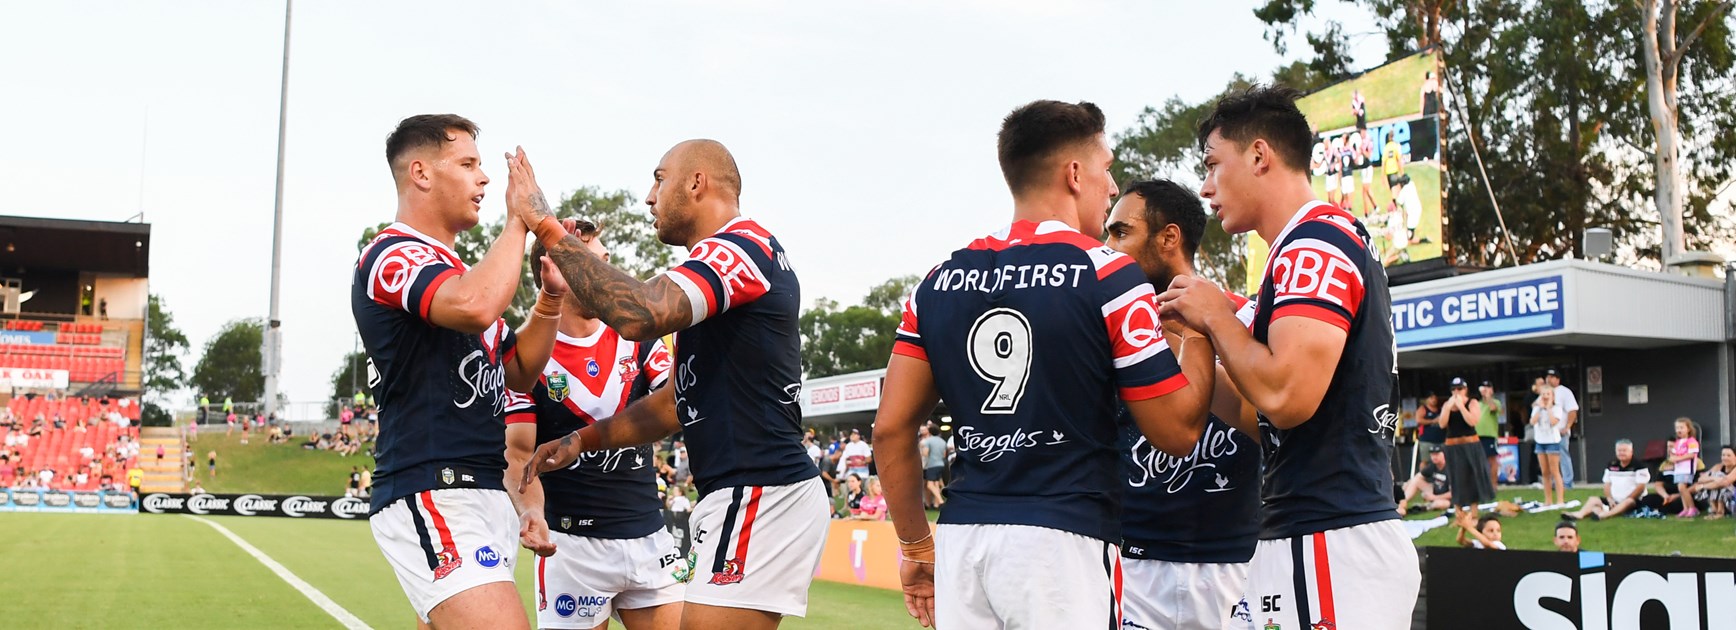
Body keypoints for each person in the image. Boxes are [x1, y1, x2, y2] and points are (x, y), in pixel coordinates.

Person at [872, 100, 1212, 629]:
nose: (1113, 186)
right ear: (1074, 174)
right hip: (1064, 546)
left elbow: (890, 430)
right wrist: (1201, 330)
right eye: (1107, 169)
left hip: (965, 542)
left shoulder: (936, 282)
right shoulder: (1108, 274)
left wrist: (917, 547)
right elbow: (1176, 430)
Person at [520, 139, 828, 629]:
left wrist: (544, 225)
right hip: (743, 491)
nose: (649, 196)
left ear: (696, 183)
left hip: (759, 488)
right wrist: (583, 439)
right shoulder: (714, 271)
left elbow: (641, 313)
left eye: (659, 179)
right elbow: (673, 404)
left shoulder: (741, 246)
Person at [1158, 85, 1421, 629]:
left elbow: (1286, 397)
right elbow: (1264, 417)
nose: (1206, 188)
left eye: (1212, 165)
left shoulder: (1314, 243)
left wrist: (1218, 317)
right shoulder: (1302, 245)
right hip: (1313, 534)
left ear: (1259, 155)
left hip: (1330, 538)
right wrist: (1193, 344)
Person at [351, 114, 563, 629]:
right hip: (433, 487)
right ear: (421, 173)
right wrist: (518, 221)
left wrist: (552, 299)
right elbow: (474, 307)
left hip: (484, 493)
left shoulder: (458, 273)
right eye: (468, 164)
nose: (485, 178)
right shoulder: (391, 253)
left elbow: (517, 372)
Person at [503, 218, 684, 630]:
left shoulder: (640, 339)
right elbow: (517, 453)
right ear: (556, 269)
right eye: (594, 262)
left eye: (605, 260)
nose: (607, 274)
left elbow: (679, 401)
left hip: (650, 538)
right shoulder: (526, 355)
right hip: (571, 548)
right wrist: (530, 510)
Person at [1104, 178, 1260, 630]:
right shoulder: (1109, 331)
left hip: (1235, 568)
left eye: (1120, 232)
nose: (1107, 246)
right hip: (1133, 567)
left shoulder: (1243, 318)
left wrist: (1204, 337)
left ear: (1169, 238)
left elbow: (1273, 423)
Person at [1439, 377, 1493, 519]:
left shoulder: (1472, 402)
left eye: (1460, 389)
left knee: (1472, 477)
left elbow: (1473, 421)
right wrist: (1449, 408)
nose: (1457, 392)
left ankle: (1474, 513)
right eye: (1454, 389)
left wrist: (1462, 407)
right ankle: (1459, 514)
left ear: (1465, 389)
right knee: (1456, 478)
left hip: (1470, 443)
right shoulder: (1447, 405)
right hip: (1453, 445)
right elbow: (1442, 424)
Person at [1565, 440, 1649, 521]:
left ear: (1631, 451)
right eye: (1619, 450)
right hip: (1614, 500)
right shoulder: (1611, 464)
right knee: (1593, 499)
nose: (1621, 453)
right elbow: (1607, 484)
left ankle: (1605, 515)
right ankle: (1580, 514)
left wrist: (1627, 499)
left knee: (1628, 502)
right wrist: (1609, 499)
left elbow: (1640, 487)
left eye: (1624, 450)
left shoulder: (1639, 466)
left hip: (1632, 500)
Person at [1531, 388, 1568, 506]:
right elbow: (1532, 421)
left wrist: (1548, 409)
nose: (1545, 396)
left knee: (1555, 471)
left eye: (1548, 394)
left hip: (1552, 441)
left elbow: (1553, 422)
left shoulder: (1557, 408)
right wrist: (1540, 408)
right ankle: (1548, 500)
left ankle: (1560, 500)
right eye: (1543, 394)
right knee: (1545, 472)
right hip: (1540, 441)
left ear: (1552, 396)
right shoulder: (1537, 408)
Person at [1548, 369, 1580, 488]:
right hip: (1547, 432)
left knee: (1563, 455)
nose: (1549, 379)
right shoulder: (1546, 392)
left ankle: (1567, 482)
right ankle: (1553, 482)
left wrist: (1567, 426)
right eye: (1548, 377)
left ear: (1557, 379)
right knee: (1550, 457)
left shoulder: (1564, 392)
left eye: (1552, 377)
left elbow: (1572, 410)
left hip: (1560, 430)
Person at [1399, 446, 1452, 515]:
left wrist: (1434, 497)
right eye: (1432, 454)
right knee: (1416, 481)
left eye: (1437, 454)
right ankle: (1402, 503)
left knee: (1442, 504)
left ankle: (1423, 507)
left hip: (1446, 498)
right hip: (1435, 491)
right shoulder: (1433, 465)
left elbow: (1453, 493)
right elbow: (1418, 477)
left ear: (1444, 454)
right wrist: (1406, 486)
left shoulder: (1450, 469)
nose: (1434, 457)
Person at [1665, 417, 1702, 518]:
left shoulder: (1692, 441)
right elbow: (1674, 454)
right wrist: (1672, 459)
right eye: (1677, 428)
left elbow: (1691, 455)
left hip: (1687, 468)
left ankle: (1692, 508)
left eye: (1681, 427)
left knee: (1682, 488)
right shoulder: (1678, 442)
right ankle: (1685, 508)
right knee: (1680, 489)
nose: (1679, 430)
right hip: (1678, 469)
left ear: (1688, 429)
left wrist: (1678, 458)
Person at [1688, 445, 1735, 519]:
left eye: (1729, 455)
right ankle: (1714, 510)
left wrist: (1703, 486)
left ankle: (1720, 512)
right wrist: (1714, 478)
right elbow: (1701, 479)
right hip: (1720, 493)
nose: (1725, 458)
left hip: (1732, 498)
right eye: (1723, 455)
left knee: (1721, 482)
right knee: (1716, 477)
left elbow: (1725, 482)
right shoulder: (1718, 466)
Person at [1477, 381, 1503, 491]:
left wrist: (1488, 396)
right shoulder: (1478, 403)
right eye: (1484, 387)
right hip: (1477, 436)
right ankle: (1482, 485)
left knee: (1492, 460)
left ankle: (1493, 485)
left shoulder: (1496, 402)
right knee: (1479, 461)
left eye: (1488, 387)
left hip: (1489, 436)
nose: (1486, 389)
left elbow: (1493, 408)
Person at [917, 424, 946, 510]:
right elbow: (944, 454)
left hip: (932, 464)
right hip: (941, 464)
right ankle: (936, 504)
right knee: (936, 483)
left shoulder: (928, 441)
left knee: (929, 485)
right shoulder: (942, 441)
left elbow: (925, 453)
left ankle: (941, 501)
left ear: (929, 432)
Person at [1414, 392, 1443, 470]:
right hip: (1427, 440)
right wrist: (1433, 421)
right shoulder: (1423, 409)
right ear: (1427, 399)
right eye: (1431, 398)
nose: (1434, 400)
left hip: (1440, 440)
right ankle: (1422, 478)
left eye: (1435, 398)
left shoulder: (1440, 409)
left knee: (1441, 461)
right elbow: (1418, 420)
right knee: (1425, 461)